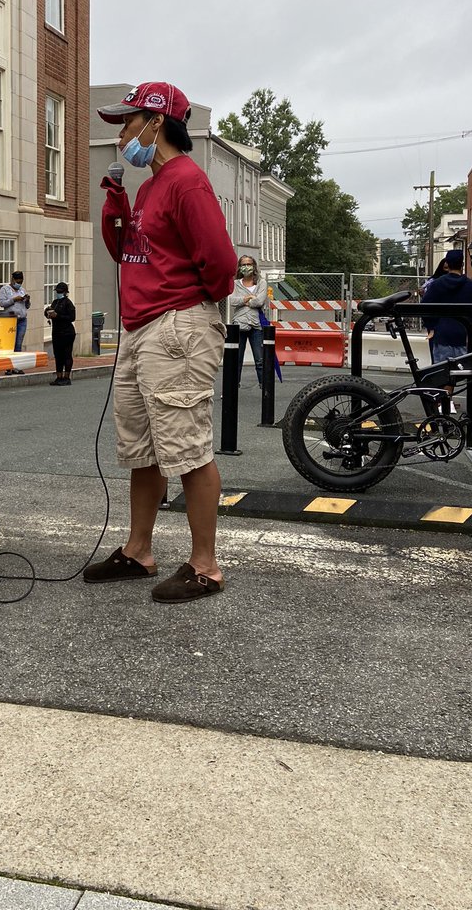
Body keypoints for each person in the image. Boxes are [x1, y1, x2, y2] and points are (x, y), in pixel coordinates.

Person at [84, 81, 237, 604]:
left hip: (175, 325)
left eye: (127, 123)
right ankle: (139, 550)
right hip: (142, 327)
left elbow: (221, 267)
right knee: (144, 448)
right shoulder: (150, 185)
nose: (121, 135)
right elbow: (127, 252)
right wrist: (115, 201)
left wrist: (187, 307)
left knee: (187, 446)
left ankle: (205, 566)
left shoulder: (186, 182)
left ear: (156, 123)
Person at [420, 249, 472, 411]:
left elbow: (425, 306)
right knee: (471, 370)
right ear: (462, 264)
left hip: (443, 332)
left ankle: (445, 402)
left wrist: (431, 326)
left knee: (444, 371)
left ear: (447, 264)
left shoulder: (437, 284)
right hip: (464, 332)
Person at [228, 254, 268, 384]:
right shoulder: (235, 284)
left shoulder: (261, 283)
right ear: (239, 268)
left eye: (249, 264)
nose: (246, 267)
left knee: (260, 359)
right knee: (236, 360)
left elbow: (260, 301)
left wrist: (245, 302)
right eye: (243, 264)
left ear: (254, 266)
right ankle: (233, 387)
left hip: (256, 325)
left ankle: (264, 386)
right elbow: (232, 301)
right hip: (239, 324)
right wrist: (247, 298)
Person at [45, 281, 76, 385]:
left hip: (67, 332)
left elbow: (72, 318)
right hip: (57, 332)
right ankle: (59, 377)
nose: (58, 293)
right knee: (58, 355)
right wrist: (47, 312)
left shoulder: (68, 303)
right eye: (57, 291)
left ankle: (67, 377)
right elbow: (49, 311)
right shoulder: (55, 302)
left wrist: (57, 316)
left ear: (65, 292)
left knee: (67, 354)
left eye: (60, 291)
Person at [0, 270, 30, 351]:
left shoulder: (22, 290)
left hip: (22, 320)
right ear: (12, 280)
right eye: (17, 282)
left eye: (21, 282)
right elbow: (1, 303)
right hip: (10, 320)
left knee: (19, 343)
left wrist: (27, 300)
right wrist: (14, 300)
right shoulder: (4, 289)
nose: (19, 284)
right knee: (10, 342)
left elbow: (27, 306)